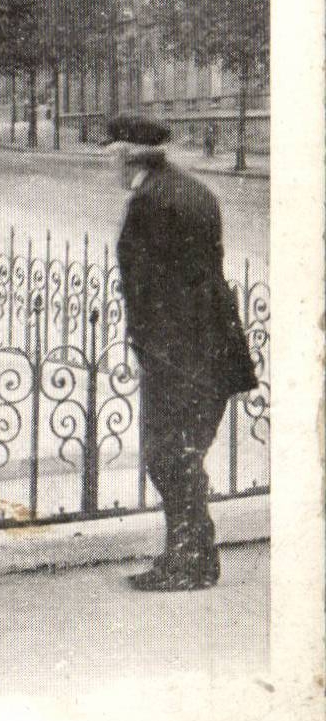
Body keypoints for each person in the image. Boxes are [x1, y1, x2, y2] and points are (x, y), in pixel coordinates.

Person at [107, 115, 257, 591]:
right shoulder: (194, 190)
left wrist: (151, 350)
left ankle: (190, 562)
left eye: (111, 152)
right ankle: (194, 556)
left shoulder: (150, 201)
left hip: (178, 351)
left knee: (168, 455)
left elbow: (150, 288)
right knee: (183, 452)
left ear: (128, 154)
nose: (108, 162)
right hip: (211, 343)